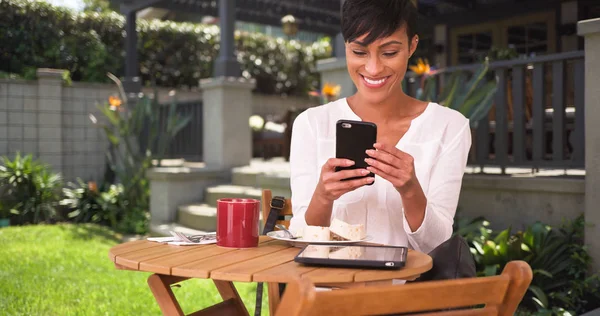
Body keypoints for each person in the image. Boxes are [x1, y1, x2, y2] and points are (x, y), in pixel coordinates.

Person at [288, 0, 472, 254]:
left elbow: (438, 245)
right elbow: (300, 239)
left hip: (403, 291)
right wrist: (323, 196)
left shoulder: (449, 127)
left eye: (389, 52)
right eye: (360, 52)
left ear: (412, 46)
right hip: (328, 289)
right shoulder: (311, 124)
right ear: (346, 48)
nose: (373, 68)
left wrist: (410, 190)